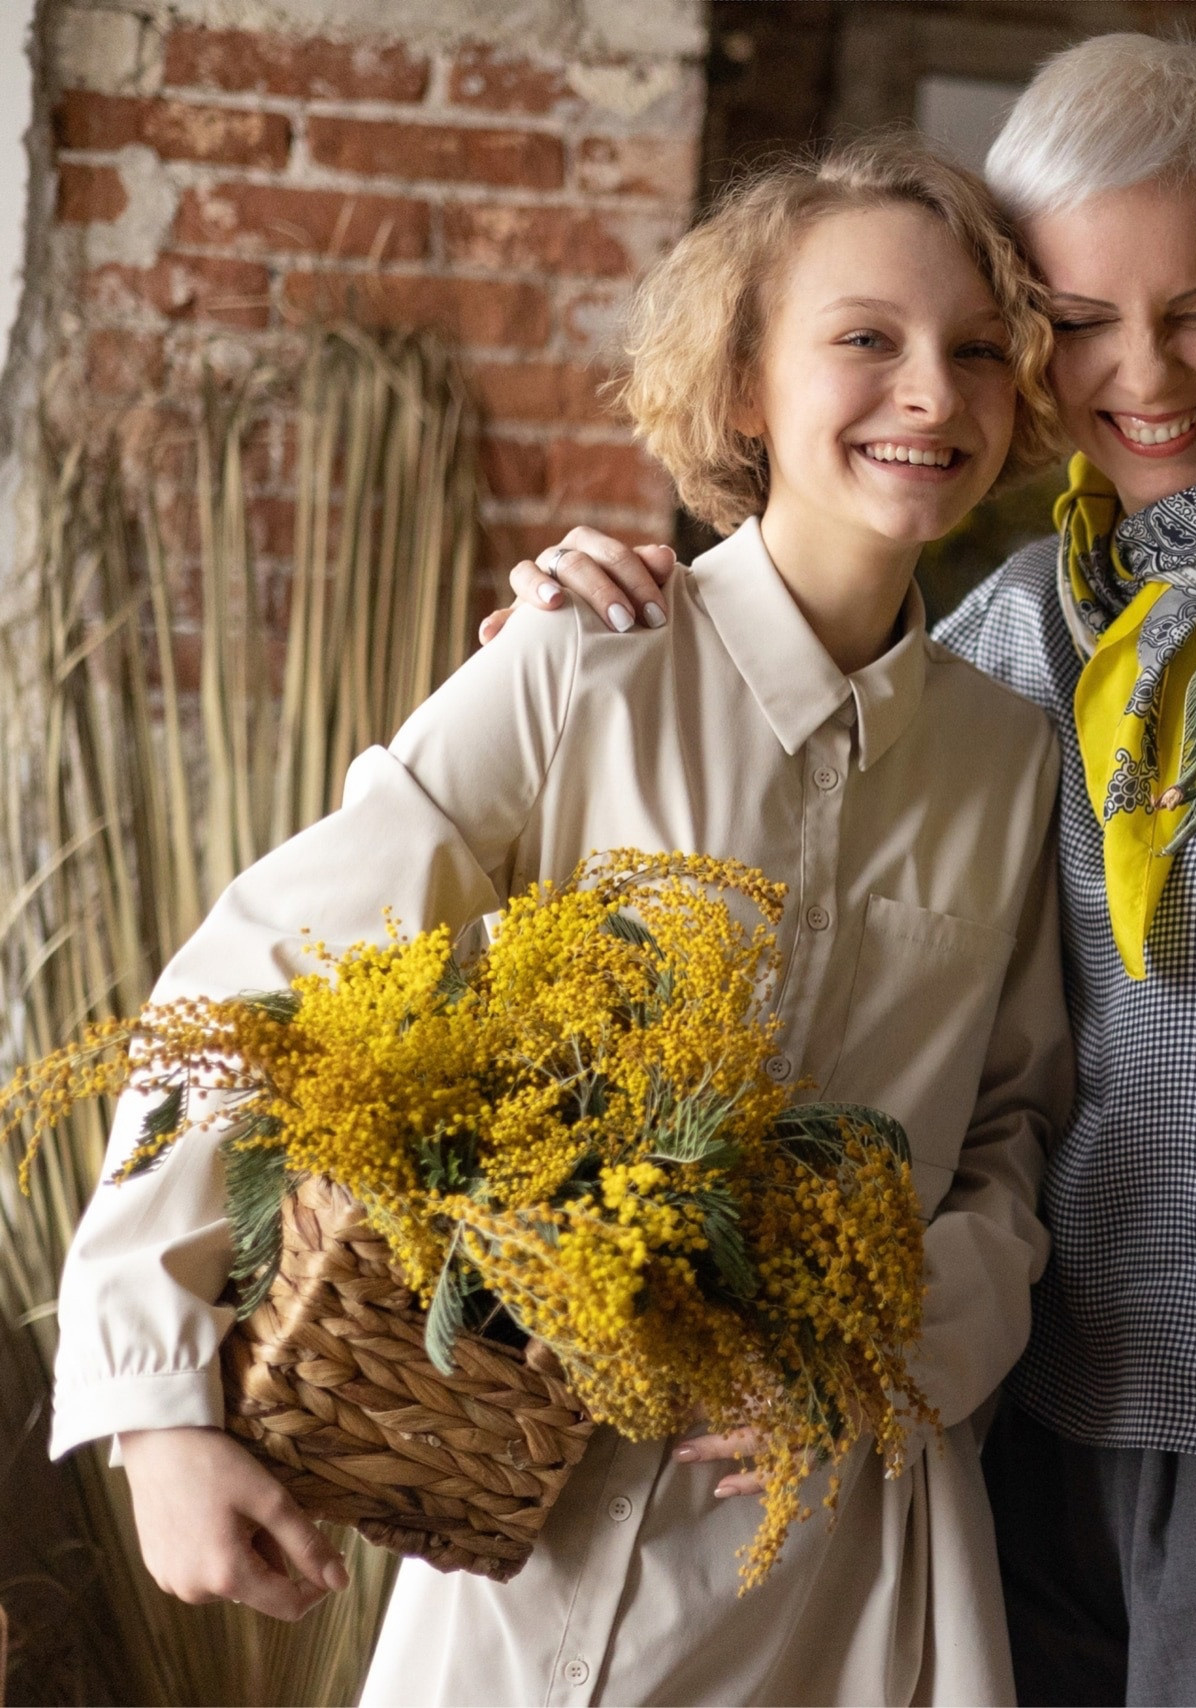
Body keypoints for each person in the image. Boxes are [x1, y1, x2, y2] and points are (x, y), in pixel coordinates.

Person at [493, 34, 1196, 1708]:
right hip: (1057, 1430)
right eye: (1077, 324)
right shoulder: (1007, 650)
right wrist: (580, 629)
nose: (1142, 371)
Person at [50, 139, 1073, 1706]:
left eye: (981, 348)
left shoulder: (1012, 759)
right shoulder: (579, 662)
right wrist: (155, 1411)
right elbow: (257, 981)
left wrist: (903, 1352)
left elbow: (1008, 1138)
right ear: (743, 387)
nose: (930, 389)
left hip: (836, 1578)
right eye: (865, 338)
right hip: (526, 1558)